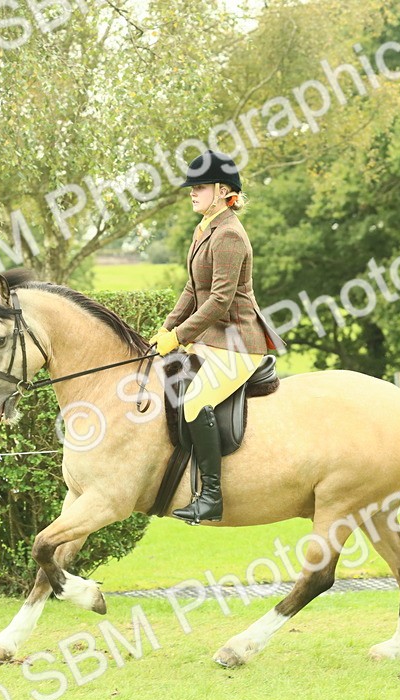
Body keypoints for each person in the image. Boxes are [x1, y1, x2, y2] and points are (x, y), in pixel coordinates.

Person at [149, 150, 287, 524]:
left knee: (194, 401)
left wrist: (178, 336)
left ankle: (210, 496)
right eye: (193, 187)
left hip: (239, 342)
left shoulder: (229, 235)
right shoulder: (205, 230)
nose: (193, 193)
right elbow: (192, 290)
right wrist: (166, 329)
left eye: (200, 187)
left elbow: (220, 300)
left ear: (223, 190)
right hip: (215, 339)